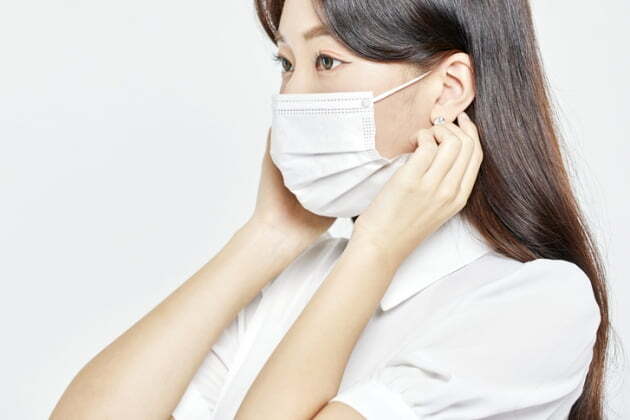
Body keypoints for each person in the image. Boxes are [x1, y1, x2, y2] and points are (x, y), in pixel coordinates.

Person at [51, 0, 610, 419]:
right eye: (285, 63)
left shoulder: (538, 303)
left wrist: (376, 251)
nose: (291, 98)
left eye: (326, 60)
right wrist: (268, 236)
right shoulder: (295, 279)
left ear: (447, 89)